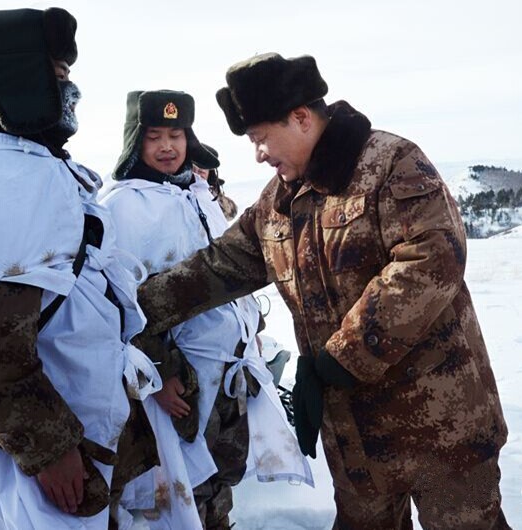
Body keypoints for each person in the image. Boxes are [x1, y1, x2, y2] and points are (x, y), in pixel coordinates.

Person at [134, 53, 511, 529]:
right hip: (357, 440)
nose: (259, 154)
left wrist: (341, 358)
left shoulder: (390, 164)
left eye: (261, 138)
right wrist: (132, 309)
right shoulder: (278, 202)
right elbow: (219, 267)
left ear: (301, 118)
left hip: (442, 426)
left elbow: (432, 259)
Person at [0, 8, 162, 529]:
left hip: (81, 433)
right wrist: (49, 449)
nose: (71, 91)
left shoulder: (33, 168)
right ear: (19, 77)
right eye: (58, 74)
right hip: (35, 463)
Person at [100, 90, 313, 530]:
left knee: (220, 480)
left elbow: (227, 272)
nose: (167, 147)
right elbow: (117, 301)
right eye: (154, 136)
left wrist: (251, 331)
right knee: (178, 489)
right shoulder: (121, 206)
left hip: (227, 375)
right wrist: (158, 374)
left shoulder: (200, 196)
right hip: (179, 382)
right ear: (134, 141)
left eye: (176, 135)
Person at [192, 144, 239, 221]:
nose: (196, 175)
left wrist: (208, 194)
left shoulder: (212, 194)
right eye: (192, 170)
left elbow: (231, 212)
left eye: (201, 172)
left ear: (209, 174)